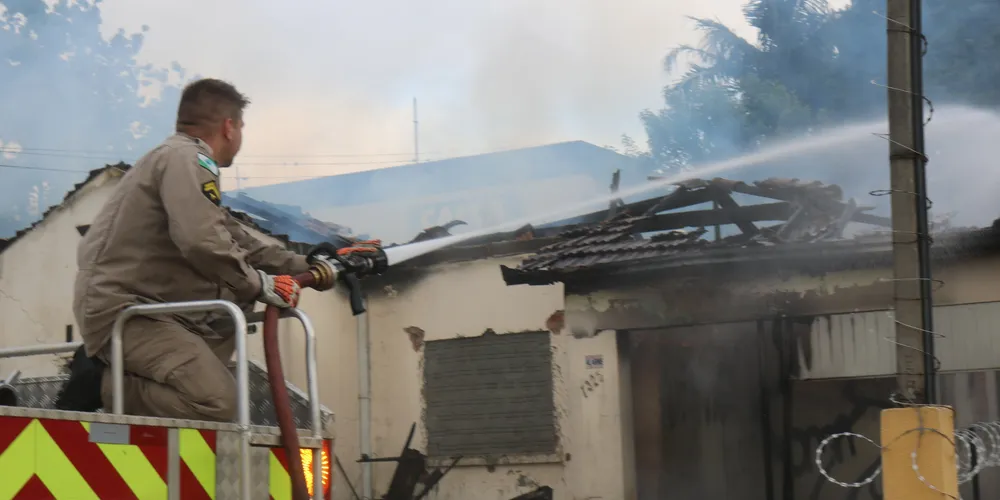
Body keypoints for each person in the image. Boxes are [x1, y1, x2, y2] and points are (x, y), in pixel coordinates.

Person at [57, 78, 337, 422]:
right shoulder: (188, 158)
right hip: (126, 312)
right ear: (229, 127)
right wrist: (260, 284)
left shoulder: (181, 163)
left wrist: (310, 264)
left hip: (155, 311)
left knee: (228, 319)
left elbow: (237, 241)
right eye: (242, 127)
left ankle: (131, 388)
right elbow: (201, 240)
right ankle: (100, 383)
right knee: (217, 403)